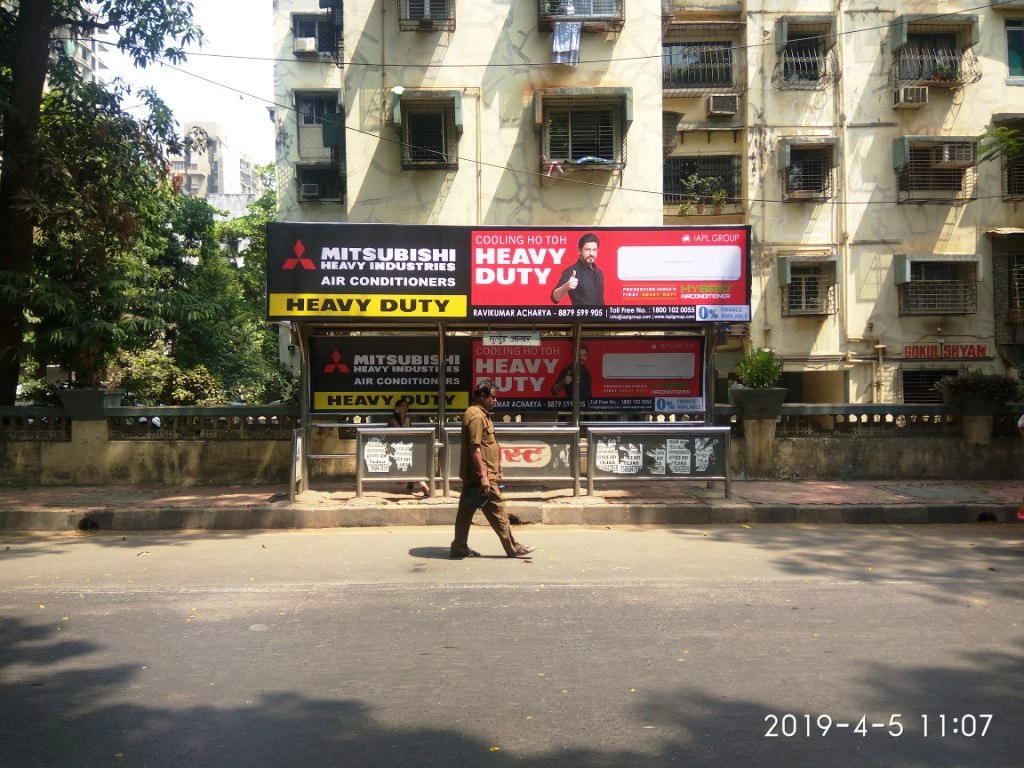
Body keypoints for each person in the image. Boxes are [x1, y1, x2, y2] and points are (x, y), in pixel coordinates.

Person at [450, 379, 535, 559]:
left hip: (479, 473)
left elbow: (488, 445)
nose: (495, 400)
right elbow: (475, 448)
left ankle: (459, 546)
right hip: (481, 475)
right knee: (498, 510)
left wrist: (498, 466)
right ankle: (512, 547)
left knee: (465, 512)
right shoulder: (476, 416)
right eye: (493, 397)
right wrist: (484, 476)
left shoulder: (480, 414)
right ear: (483, 395)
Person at [388, 398, 429, 496]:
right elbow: (400, 432)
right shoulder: (391, 419)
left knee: (413, 461)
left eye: (406, 407)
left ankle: (420, 483)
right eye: (402, 406)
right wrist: (402, 416)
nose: (404, 408)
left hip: (407, 446)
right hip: (395, 448)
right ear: (397, 408)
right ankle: (422, 483)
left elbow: (408, 432)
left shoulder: (407, 419)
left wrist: (404, 418)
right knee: (408, 463)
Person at [550, 233, 605, 306]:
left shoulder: (598, 272)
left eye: (594, 250)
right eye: (587, 250)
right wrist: (566, 286)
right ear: (580, 251)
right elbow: (554, 297)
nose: (591, 253)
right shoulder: (572, 271)